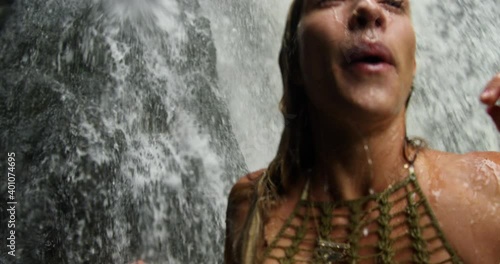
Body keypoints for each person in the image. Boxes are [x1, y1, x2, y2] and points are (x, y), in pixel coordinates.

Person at [224, 0, 500, 263]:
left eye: (392, 2)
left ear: (413, 64)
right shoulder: (253, 206)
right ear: (295, 58)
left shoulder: (489, 188)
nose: (368, 7)